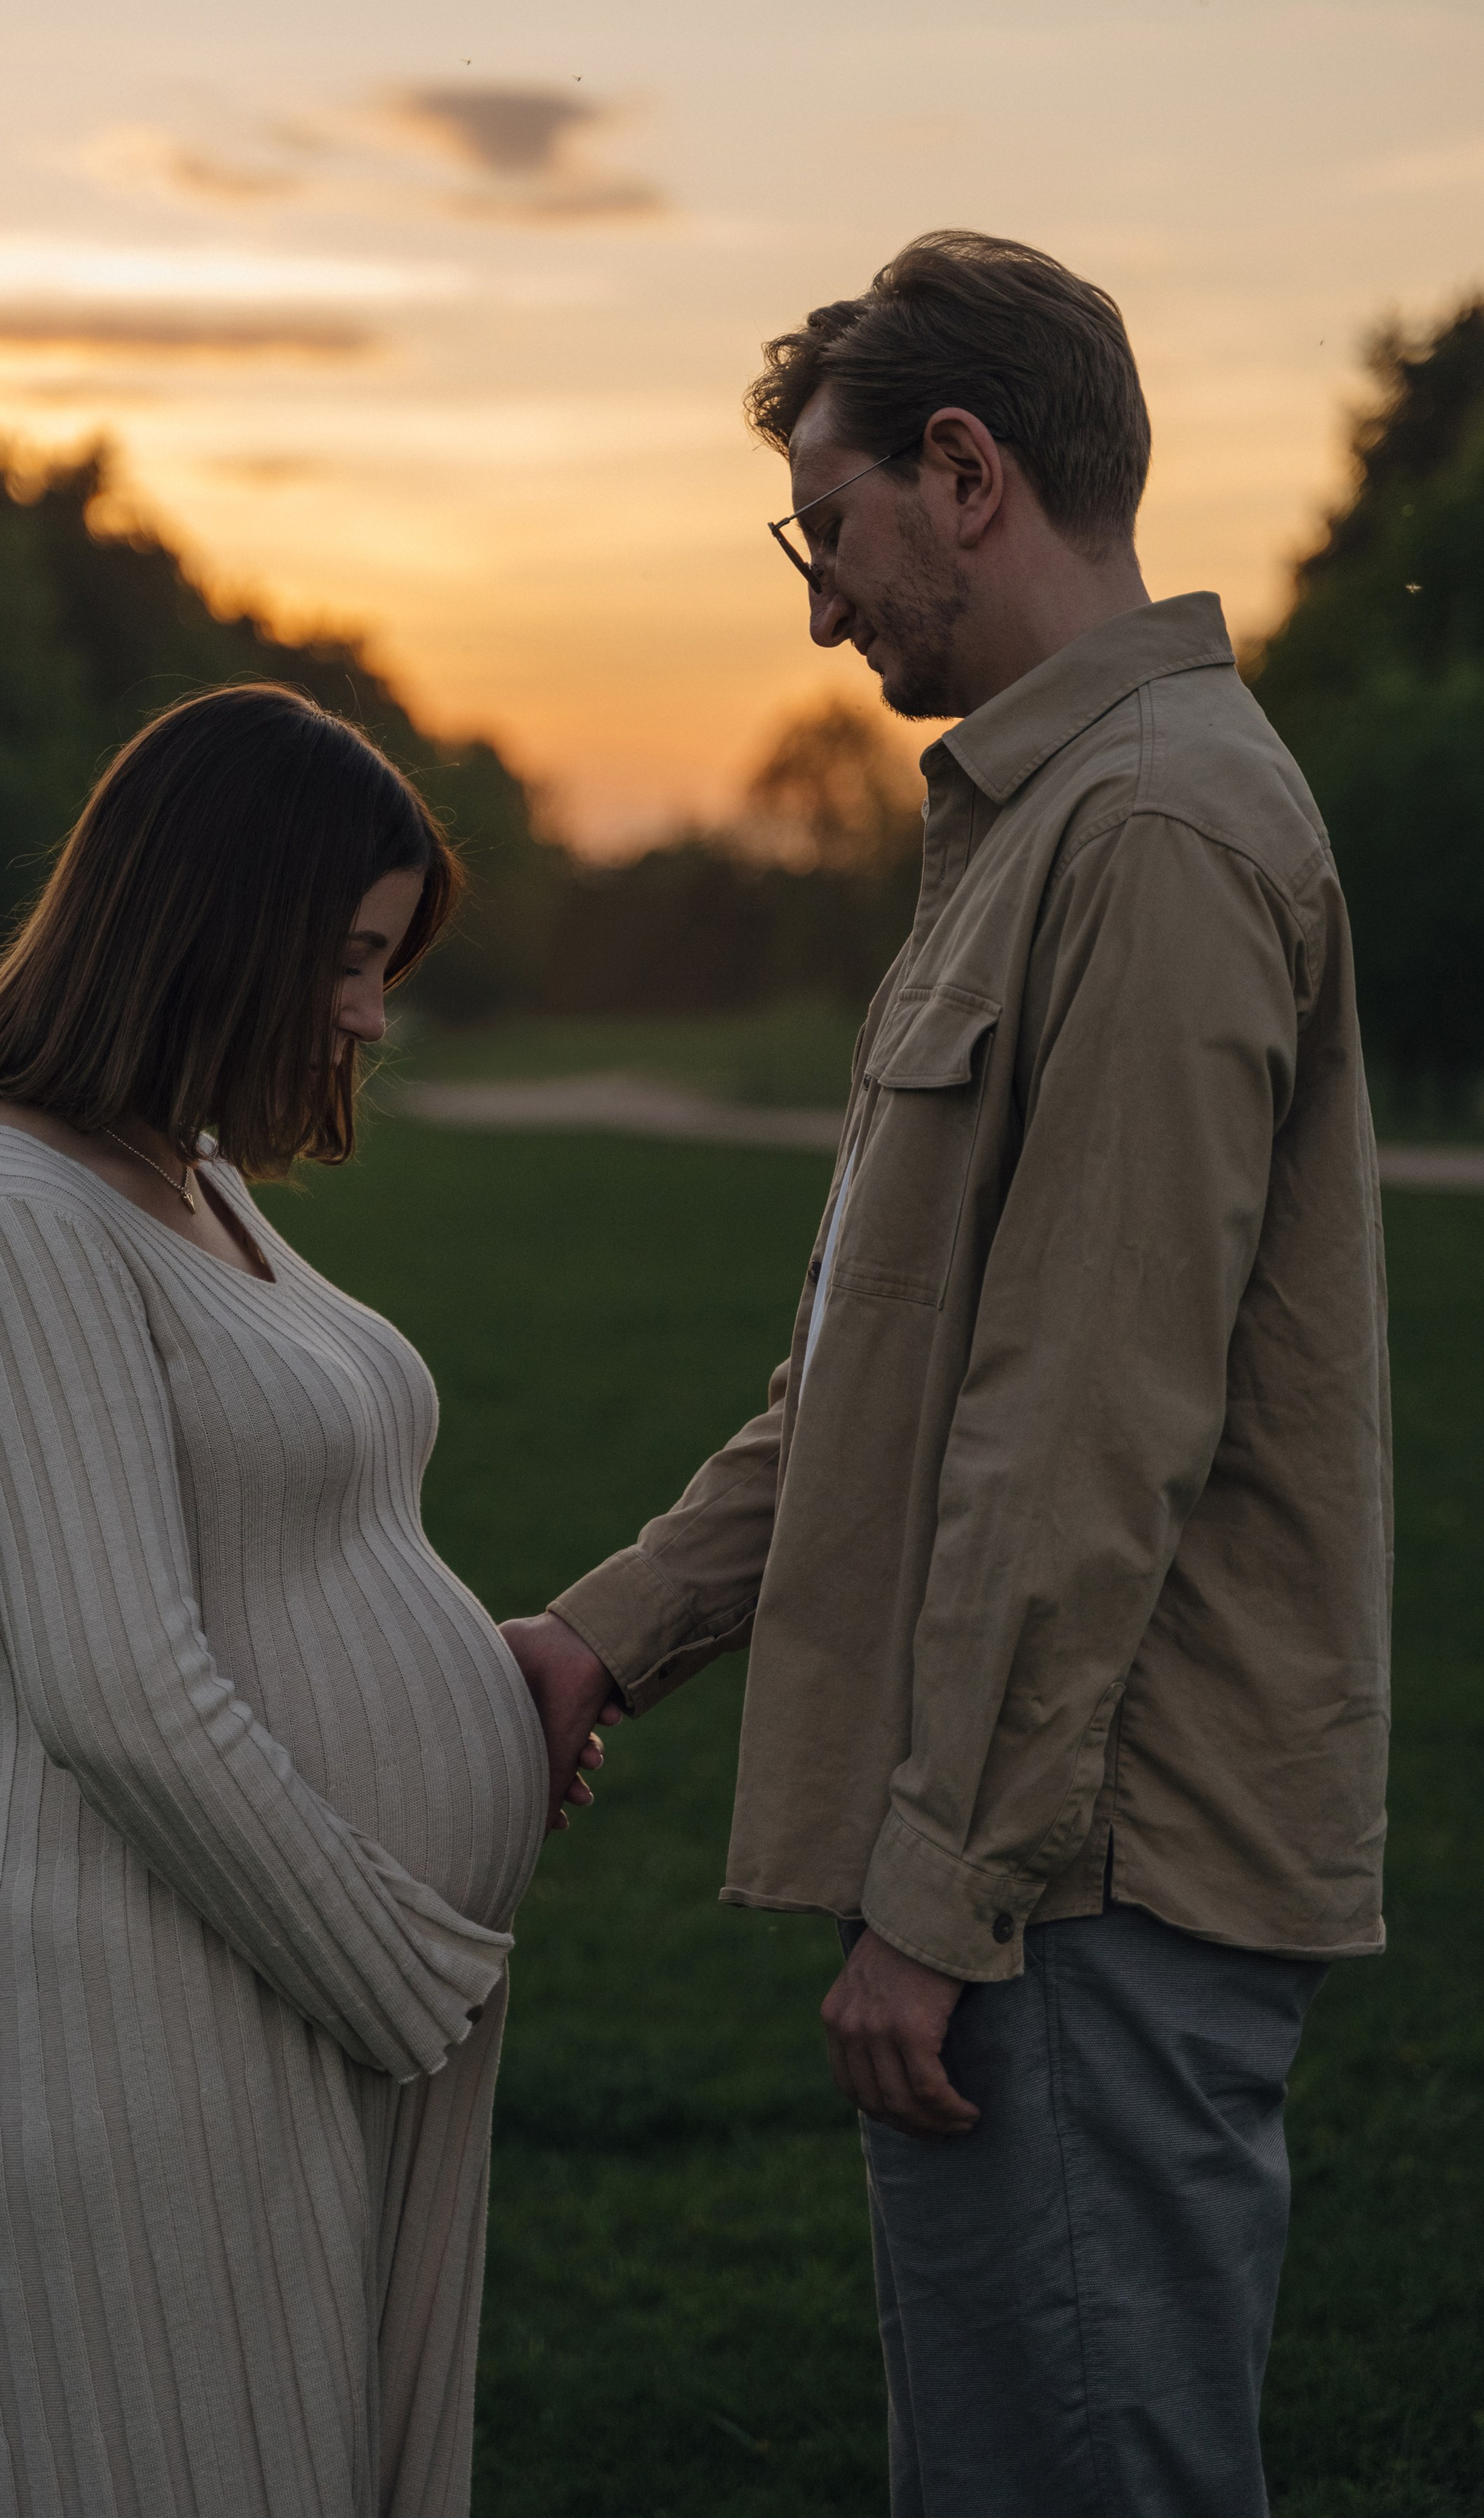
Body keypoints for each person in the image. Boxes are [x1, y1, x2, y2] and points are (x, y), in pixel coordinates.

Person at [502, 232, 1391, 2517]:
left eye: (834, 528)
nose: (824, 606)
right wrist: (612, 1629)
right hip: (1045, 1874)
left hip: (1095, 1880)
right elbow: (888, 1379)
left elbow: (1087, 1428)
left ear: (967, 472)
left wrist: (945, 1894)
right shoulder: (1050, 824)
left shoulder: (1160, 833)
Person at [0, 684, 600, 2518]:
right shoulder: (9, 1222)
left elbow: (301, 1529)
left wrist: (458, 1698)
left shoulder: (189, 1178)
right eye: (349, 959)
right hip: (146, 2025)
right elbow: (114, 1685)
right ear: (221, 925)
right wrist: (401, 1971)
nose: (369, 1012)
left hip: (310, 1999)